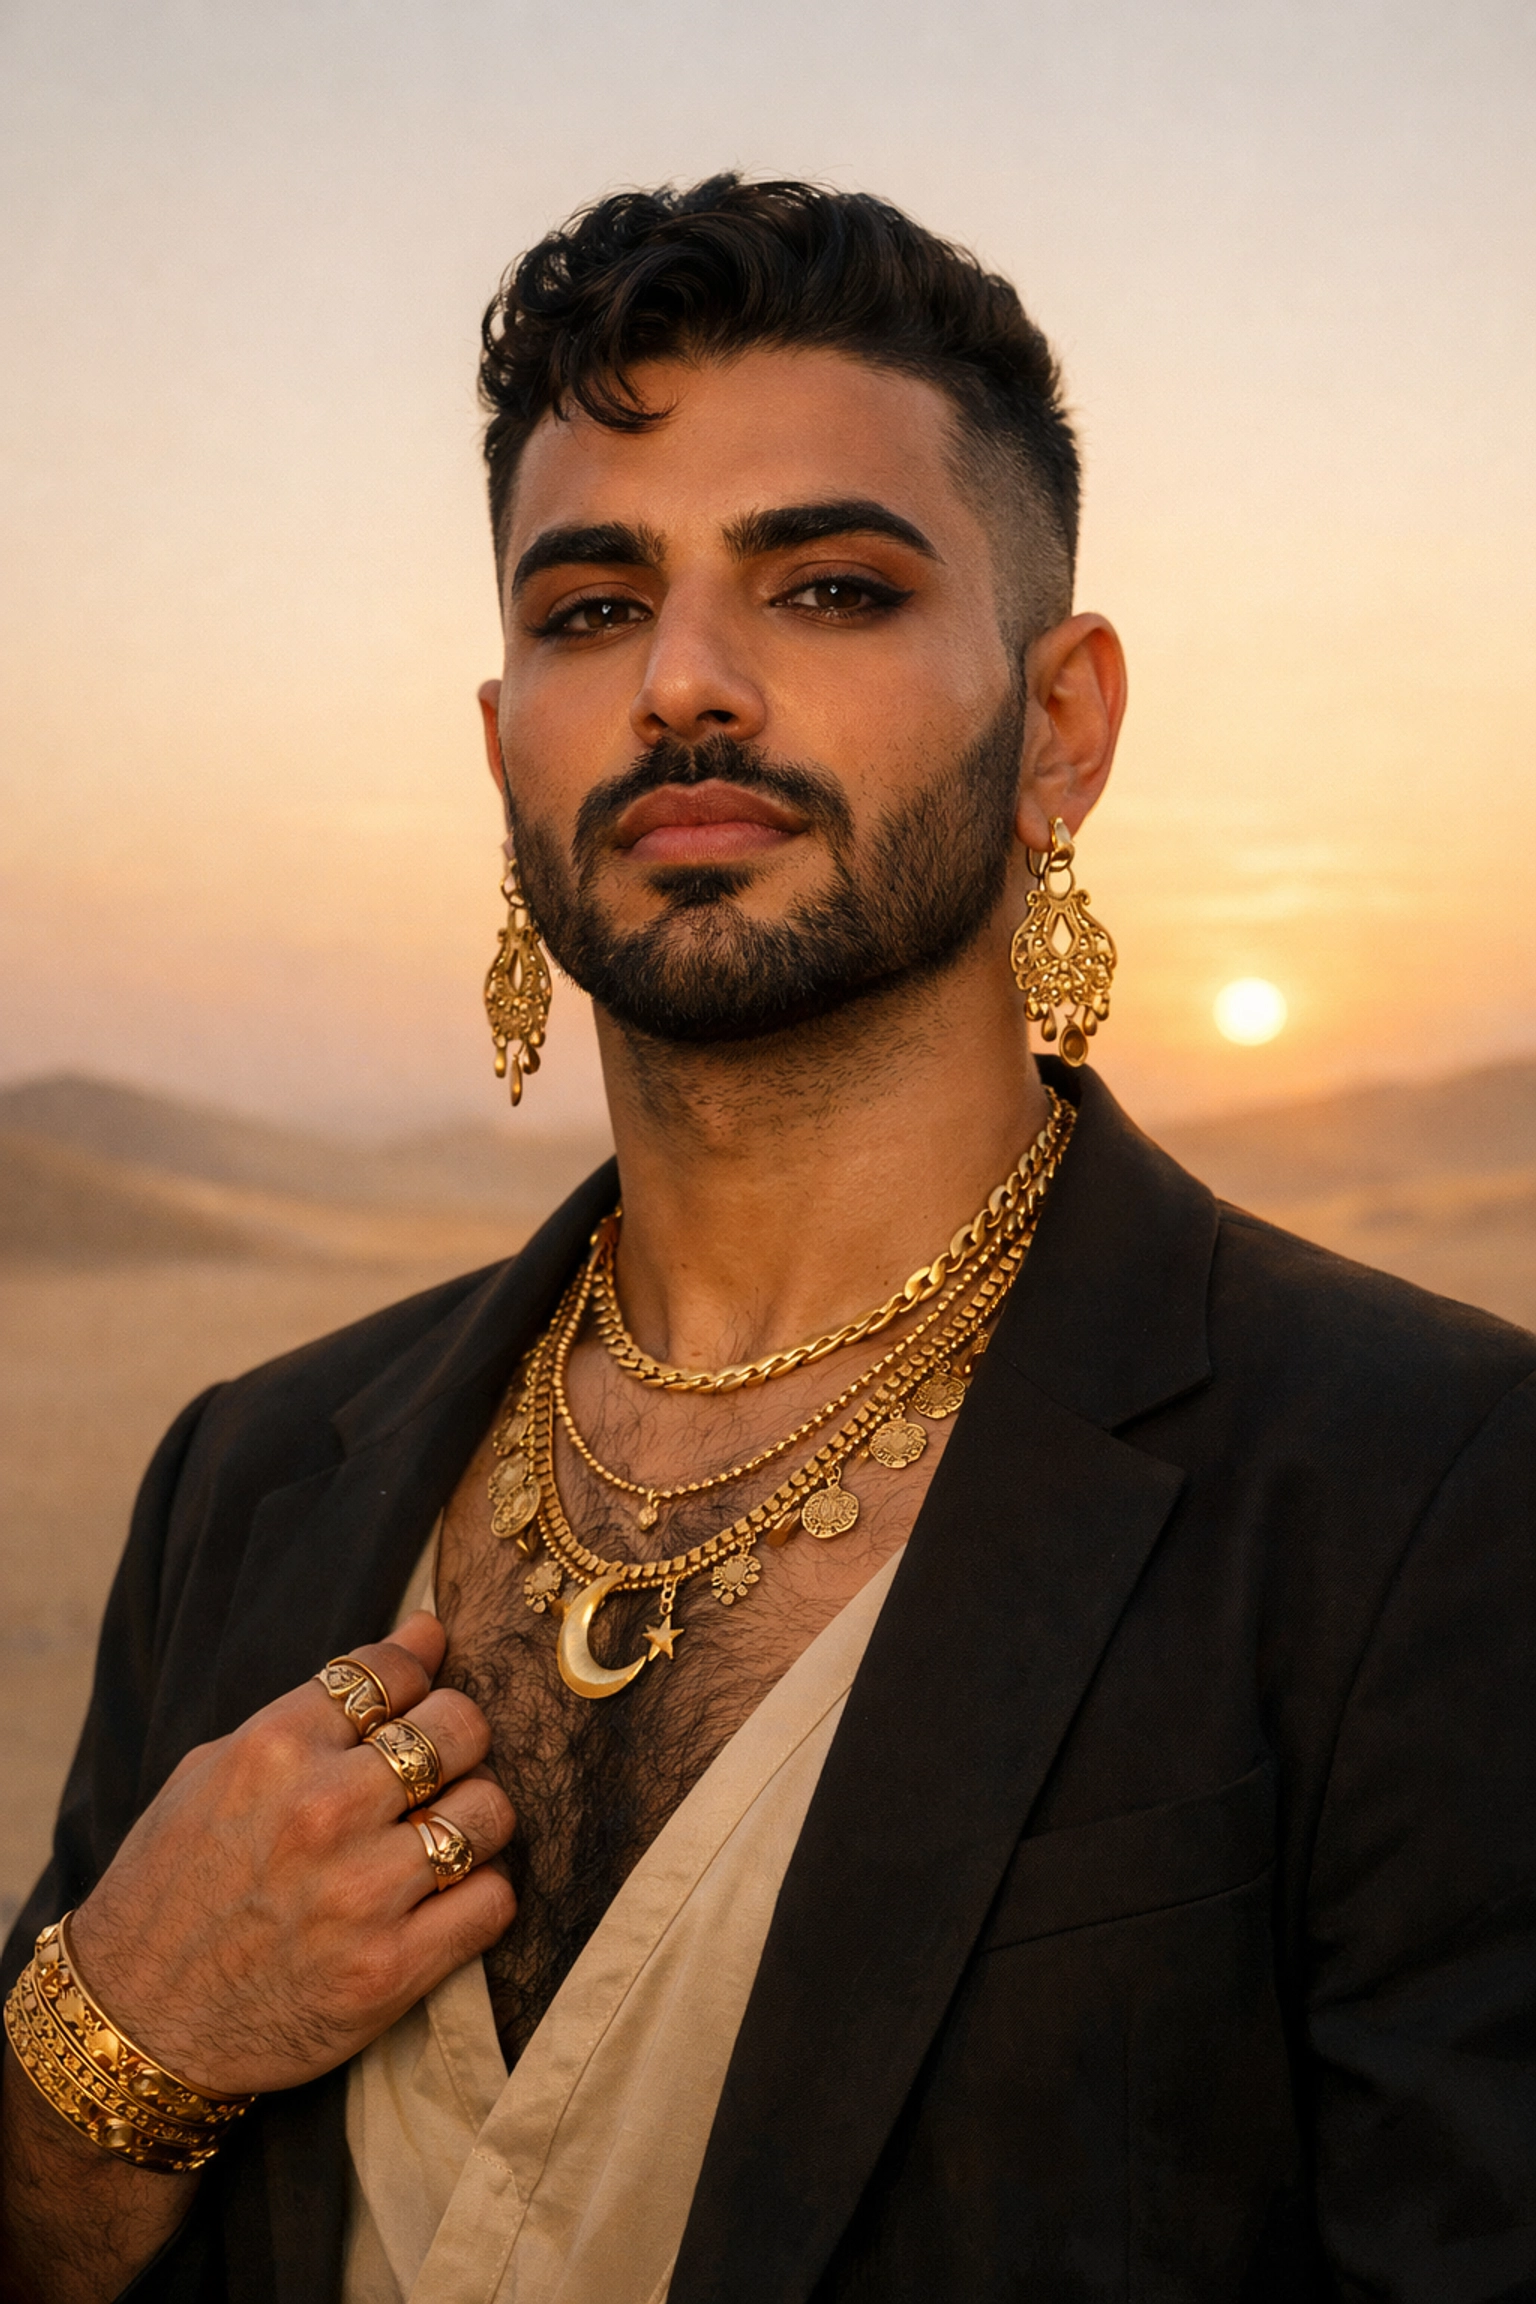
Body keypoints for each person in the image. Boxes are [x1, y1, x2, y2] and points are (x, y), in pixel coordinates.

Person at [2, 175, 1532, 2304]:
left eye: (826, 589)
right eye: (592, 610)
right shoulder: (251, 1482)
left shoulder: (1425, 1491)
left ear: (1061, 726)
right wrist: (115, 2048)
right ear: (501, 743)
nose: (687, 686)